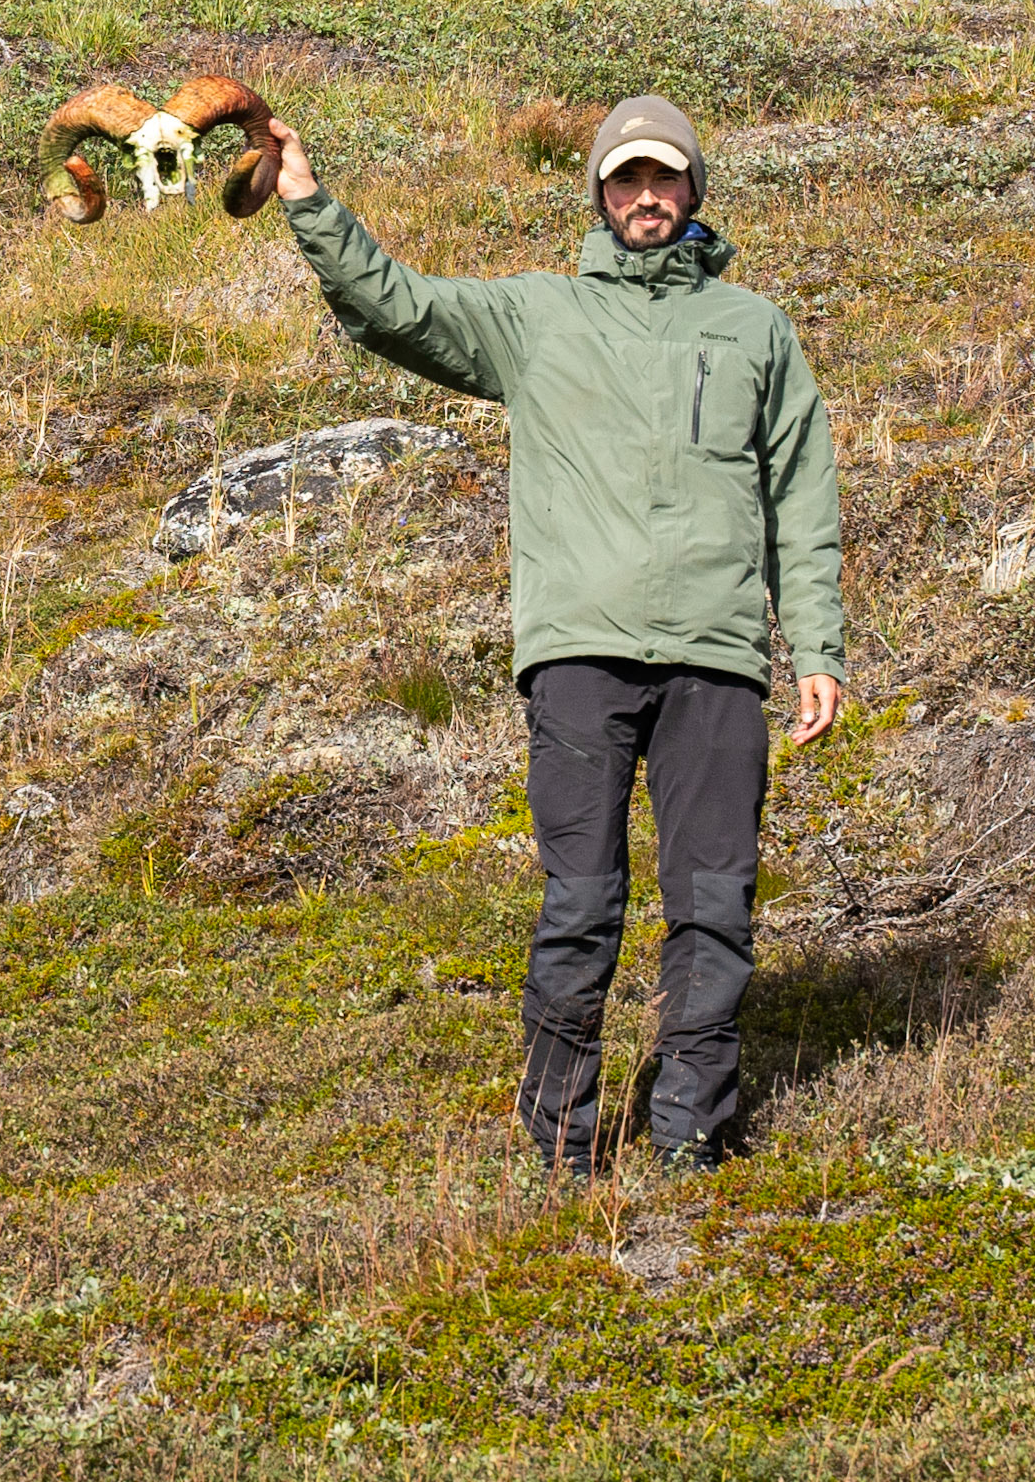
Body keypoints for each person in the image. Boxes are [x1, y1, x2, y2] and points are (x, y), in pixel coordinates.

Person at [266, 94, 844, 1178]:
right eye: (626, 179)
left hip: (718, 659)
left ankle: (688, 1137)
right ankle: (562, 1144)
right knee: (582, 901)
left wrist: (816, 647)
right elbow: (398, 307)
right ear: (599, 191)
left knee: (713, 904)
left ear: (694, 191)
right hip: (580, 653)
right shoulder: (540, 316)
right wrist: (306, 197)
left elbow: (801, 499)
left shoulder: (755, 327)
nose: (646, 197)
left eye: (665, 178)